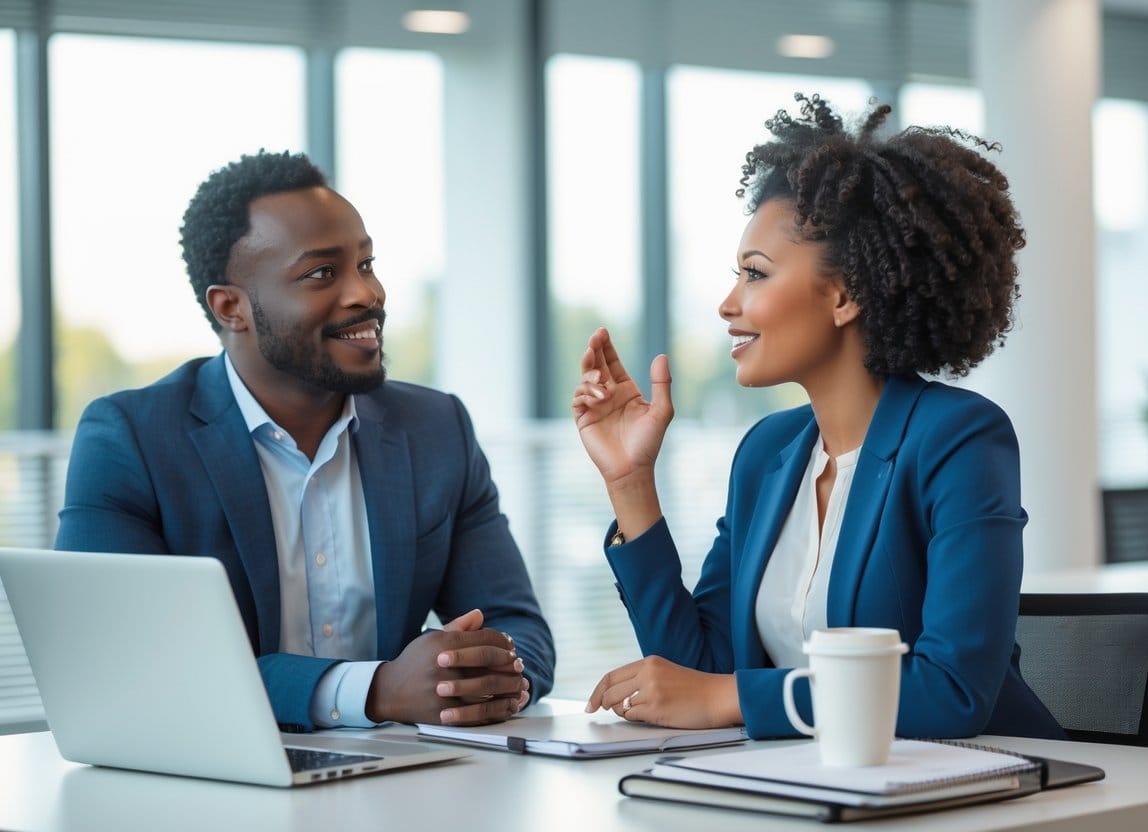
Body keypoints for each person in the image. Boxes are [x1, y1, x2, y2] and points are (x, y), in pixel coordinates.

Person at [573, 94, 1064, 741]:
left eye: (754, 274)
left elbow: (951, 690)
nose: (727, 304)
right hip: (816, 782)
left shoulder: (958, 439)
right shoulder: (766, 454)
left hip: (979, 781)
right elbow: (702, 671)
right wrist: (630, 482)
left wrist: (731, 696)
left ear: (843, 295)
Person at [55, 150, 554, 732]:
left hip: (407, 774)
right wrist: (375, 690)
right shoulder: (130, 441)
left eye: (366, 264)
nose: (366, 293)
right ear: (231, 307)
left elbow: (520, 630)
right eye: (322, 273)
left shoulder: (437, 429)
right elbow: (120, 666)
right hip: (212, 774)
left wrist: (467, 676)